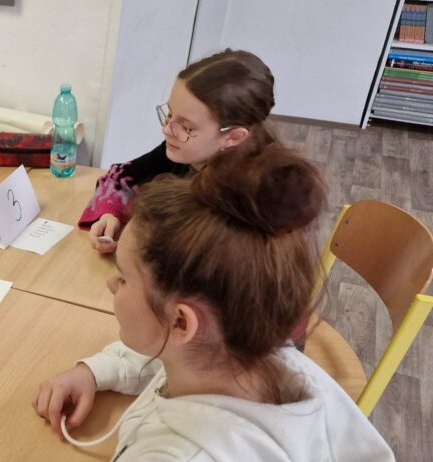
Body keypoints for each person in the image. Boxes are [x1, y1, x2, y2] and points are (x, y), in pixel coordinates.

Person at [36, 143, 394, 461]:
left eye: (124, 277)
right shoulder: (265, 358)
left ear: (181, 322)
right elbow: (172, 356)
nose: (111, 284)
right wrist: (96, 371)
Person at [80, 49, 274, 254]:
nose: (167, 129)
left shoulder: (247, 201)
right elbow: (120, 176)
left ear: (233, 137)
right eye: (170, 114)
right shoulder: (185, 153)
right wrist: (110, 214)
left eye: (187, 127)